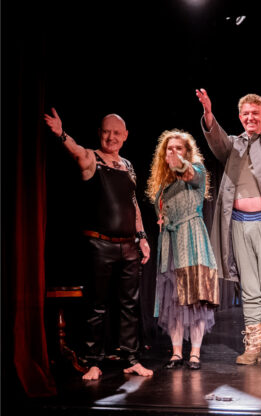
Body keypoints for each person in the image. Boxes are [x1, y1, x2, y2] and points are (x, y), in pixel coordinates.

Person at [42, 109, 153, 380]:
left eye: (116, 133)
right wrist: (61, 134)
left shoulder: (128, 166)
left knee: (130, 305)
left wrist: (142, 237)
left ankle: (132, 358)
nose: (111, 137)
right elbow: (77, 152)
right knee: (97, 305)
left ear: (125, 136)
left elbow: (133, 203)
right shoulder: (92, 158)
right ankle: (93, 361)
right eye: (106, 131)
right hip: (99, 245)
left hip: (128, 245)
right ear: (100, 133)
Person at [196, 83, 261, 366]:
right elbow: (217, 141)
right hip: (238, 223)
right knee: (249, 288)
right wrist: (208, 114)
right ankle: (253, 345)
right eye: (246, 113)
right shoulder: (233, 145)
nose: (250, 117)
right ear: (240, 117)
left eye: (255, 113)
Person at [146, 130, 218, 370]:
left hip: (192, 241)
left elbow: (188, 174)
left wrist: (179, 163)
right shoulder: (163, 185)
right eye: (170, 148)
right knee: (173, 301)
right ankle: (176, 353)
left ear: (187, 152)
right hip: (170, 244)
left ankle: (194, 353)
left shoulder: (197, 171)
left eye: (179, 148)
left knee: (195, 299)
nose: (174, 152)